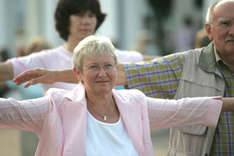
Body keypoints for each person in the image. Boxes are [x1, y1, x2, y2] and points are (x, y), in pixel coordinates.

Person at [14, 0, 234, 155]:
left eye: (91, 15)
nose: (103, 74)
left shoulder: (134, 103)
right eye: (225, 23)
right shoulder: (58, 103)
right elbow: (12, 110)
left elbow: (183, 107)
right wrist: (52, 76)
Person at [0, 0, 144, 94]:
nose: (86, 21)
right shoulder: (46, 58)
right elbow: (5, 71)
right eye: (79, 15)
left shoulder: (114, 57)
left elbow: (159, 66)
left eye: (91, 15)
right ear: (65, 19)